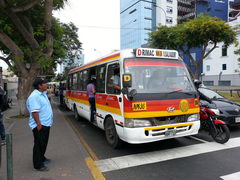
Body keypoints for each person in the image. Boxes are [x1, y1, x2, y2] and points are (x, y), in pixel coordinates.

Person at [26, 78, 53, 172]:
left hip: (46, 123)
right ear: (39, 86)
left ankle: (42, 158)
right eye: (44, 83)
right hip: (40, 124)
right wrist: (38, 124)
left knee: (43, 143)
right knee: (38, 144)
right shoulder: (34, 96)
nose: (46, 85)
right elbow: (34, 112)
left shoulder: (42, 93)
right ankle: (38, 165)